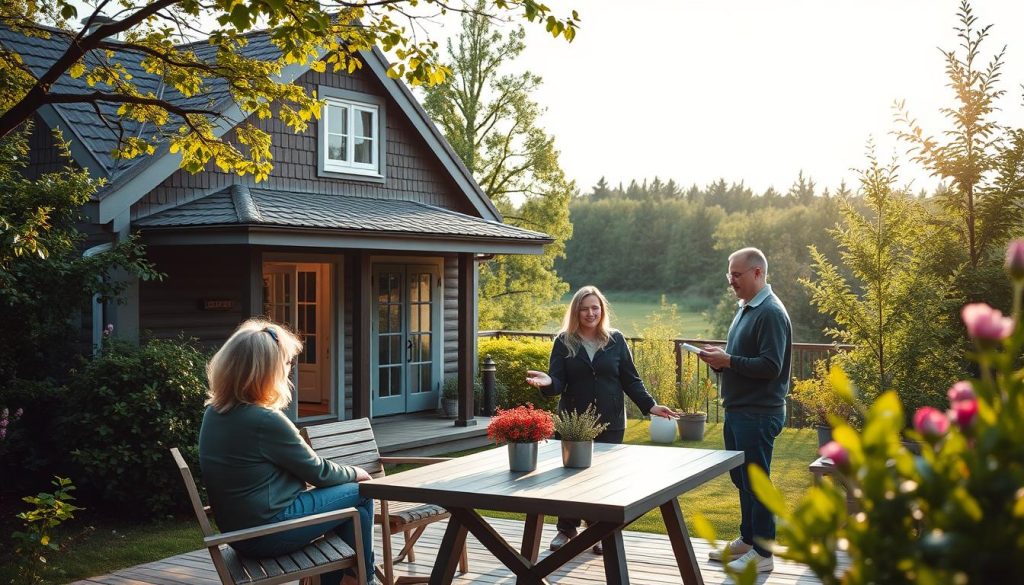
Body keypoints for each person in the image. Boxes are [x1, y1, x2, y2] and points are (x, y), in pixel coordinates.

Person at [199, 319, 377, 585]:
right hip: (268, 533)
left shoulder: (214, 413)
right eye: (285, 363)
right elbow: (319, 472)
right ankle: (367, 580)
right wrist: (357, 472)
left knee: (351, 514)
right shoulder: (263, 420)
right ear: (266, 371)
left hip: (240, 534)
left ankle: (357, 579)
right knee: (361, 494)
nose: (288, 370)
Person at [525, 285, 678, 554]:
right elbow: (557, 381)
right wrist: (549, 382)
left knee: (604, 480)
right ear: (576, 312)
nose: (590, 313)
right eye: (584, 308)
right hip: (573, 423)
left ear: (602, 310)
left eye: (595, 307)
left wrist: (651, 405)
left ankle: (596, 533)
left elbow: (631, 379)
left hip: (611, 422)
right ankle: (566, 528)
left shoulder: (616, 340)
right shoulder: (564, 341)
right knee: (570, 479)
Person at [698, 247, 792, 575]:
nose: (731, 281)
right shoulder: (746, 309)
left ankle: (763, 553)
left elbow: (770, 365)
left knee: (756, 481)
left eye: (736, 274)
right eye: (729, 274)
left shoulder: (770, 312)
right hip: (740, 410)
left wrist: (729, 360)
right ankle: (749, 539)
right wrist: (722, 361)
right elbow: (745, 359)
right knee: (741, 478)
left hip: (759, 412)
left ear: (757, 273)